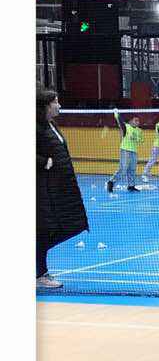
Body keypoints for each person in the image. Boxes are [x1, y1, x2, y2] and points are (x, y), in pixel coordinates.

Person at [36, 88, 88, 290]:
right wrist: (44, 162)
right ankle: (40, 274)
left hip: (63, 187)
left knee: (74, 225)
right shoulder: (36, 127)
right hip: (46, 189)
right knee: (46, 230)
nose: (59, 105)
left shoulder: (52, 125)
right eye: (55, 102)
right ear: (46, 106)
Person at [106, 110, 142, 193]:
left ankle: (131, 186)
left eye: (138, 121)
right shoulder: (126, 126)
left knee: (132, 169)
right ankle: (111, 182)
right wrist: (116, 113)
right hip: (125, 150)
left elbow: (140, 140)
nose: (137, 122)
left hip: (134, 151)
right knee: (123, 169)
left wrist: (138, 139)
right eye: (135, 120)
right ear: (131, 121)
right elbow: (120, 121)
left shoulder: (139, 130)